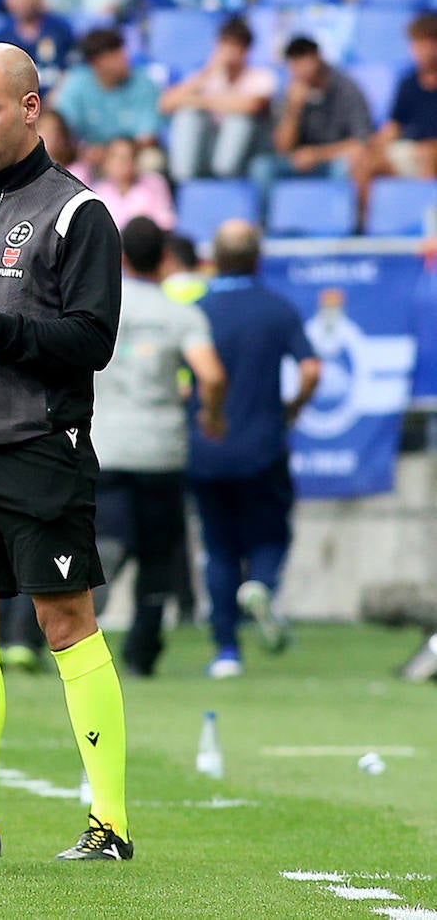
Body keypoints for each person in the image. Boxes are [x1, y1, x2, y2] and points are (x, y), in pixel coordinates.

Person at [0, 42, 131, 862]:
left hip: (41, 448)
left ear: (31, 107)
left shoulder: (80, 214)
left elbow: (92, 338)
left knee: (65, 620)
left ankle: (109, 822)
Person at [92, 216, 226, 677]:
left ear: (121, 257)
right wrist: (210, 414)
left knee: (95, 543)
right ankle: (142, 652)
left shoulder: (99, 305)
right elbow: (210, 375)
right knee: (158, 555)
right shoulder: (181, 313)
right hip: (160, 448)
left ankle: (68, 629)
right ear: (165, 258)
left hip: (104, 443)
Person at [187, 219, 321, 679]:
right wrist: (293, 409)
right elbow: (312, 369)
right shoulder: (277, 309)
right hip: (263, 446)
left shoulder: (198, 310)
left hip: (206, 446)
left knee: (218, 546)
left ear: (214, 258)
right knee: (270, 535)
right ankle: (260, 585)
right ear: (257, 257)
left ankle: (227, 651)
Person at [247, 36, 372, 207]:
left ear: (317, 58)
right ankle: (265, 226)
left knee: (344, 168)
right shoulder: (289, 94)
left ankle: (341, 224)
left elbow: (361, 142)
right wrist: (293, 110)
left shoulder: (347, 89)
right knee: (262, 167)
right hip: (297, 160)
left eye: (303, 60)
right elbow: (282, 148)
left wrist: (317, 155)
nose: (299, 69)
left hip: (331, 159)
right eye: (294, 63)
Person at [160, 17, 277, 183]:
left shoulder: (261, 76)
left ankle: (225, 174)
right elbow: (166, 103)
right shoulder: (207, 76)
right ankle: (184, 180)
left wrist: (198, 100)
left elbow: (251, 106)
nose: (228, 52)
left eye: (234, 46)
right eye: (224, 45)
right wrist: (207, 72)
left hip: (248, 151)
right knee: (188, 116)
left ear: (246, 50)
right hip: (210, 145)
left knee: (238, 120)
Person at [53, 28, 163, 170]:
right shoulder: (76, 83)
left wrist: (112, 154)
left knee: (151, 160)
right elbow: (60, 127)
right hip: (86, 155)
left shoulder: (144, 83)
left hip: (130, 156)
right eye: (115, 54)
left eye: (122, 51)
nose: (124, 58)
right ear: (97, 61)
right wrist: (81, 151)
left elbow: (147, 137)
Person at [357, 12, 437, 194]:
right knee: (366, 162)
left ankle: (426, 216)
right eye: (417, 43)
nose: (423, 50)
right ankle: (360, 222)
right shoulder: (407, 83)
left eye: (428, 43)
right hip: (410, 151)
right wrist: (372, 147)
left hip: (430, 154)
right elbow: (394, 126)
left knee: (429, 156)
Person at [0, 0, 76, 95]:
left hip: (57, 104)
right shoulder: (2, 36)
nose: (21, 0)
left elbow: (73, 70)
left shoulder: (60, 28)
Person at [91, 135, 177, 232]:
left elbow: (165, 222)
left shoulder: (154, 183)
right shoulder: (97, 192)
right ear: (106, 162)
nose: (122, 163)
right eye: (117, 157)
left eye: (128, 157)